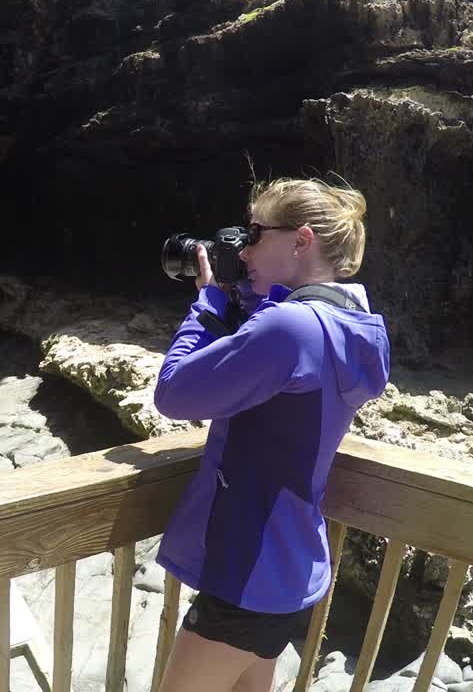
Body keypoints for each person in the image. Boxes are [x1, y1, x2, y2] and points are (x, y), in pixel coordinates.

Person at [152, 178, 391, 692]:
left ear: (302, 240)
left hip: (247, 573)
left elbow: (173, 393)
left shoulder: (289, 328)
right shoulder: (351, 325)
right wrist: (246, 299)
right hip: (289, 566)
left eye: (256, 234)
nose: (244, 250)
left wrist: (210, 303)